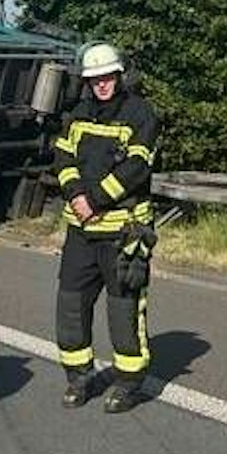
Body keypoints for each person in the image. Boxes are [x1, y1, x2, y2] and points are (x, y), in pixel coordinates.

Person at [51, 41, 160, 414]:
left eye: (107, 77)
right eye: (94, 79)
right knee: (70, 305)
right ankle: (78, 377)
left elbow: (136, 167)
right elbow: (63, 157)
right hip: (81, 231)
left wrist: (94, 200)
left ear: (120, 74)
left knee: (123, 310)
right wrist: (76, 195)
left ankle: (129, 382)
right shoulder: (77, 113)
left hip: (122, 233)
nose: (101, 84)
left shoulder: (140, 113)